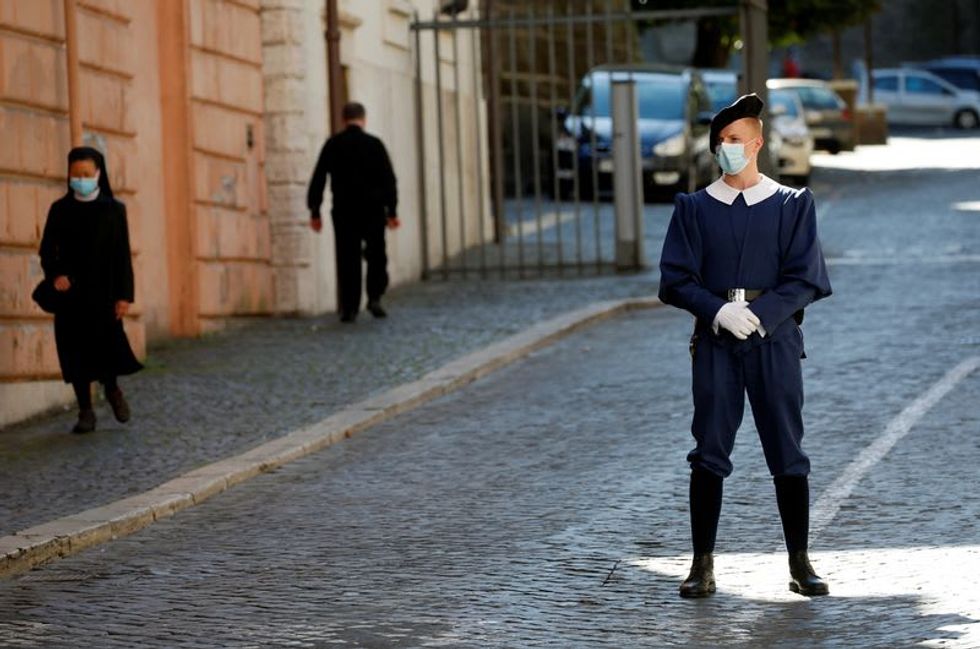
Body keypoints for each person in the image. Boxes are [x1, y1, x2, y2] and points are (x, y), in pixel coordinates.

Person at [658, 94, 833, 598]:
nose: (726, 149)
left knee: (787, 449)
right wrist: (716, 311)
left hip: (774, 340)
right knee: (709, 450)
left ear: (756, 144)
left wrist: (760, 314)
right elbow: (674, 280)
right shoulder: (692, 208)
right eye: (720, 142)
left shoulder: (792, 204)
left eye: (736, 140)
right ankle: (701, 565)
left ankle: (801, 563)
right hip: (715, 341)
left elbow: (807, 279)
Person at [39, 146, 143, 434]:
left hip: (104, 294)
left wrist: (124, 295)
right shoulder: (60, 210)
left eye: (86, 174)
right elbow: (47, 250)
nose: (81, 179)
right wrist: (56, 274)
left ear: (98, 174)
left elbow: (123, 256)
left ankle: (112, 390)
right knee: (74, 353)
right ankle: (85, 411)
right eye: (76, 174)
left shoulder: (113, 210)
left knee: (105, 347)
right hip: (71, 296)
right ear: (69, 175)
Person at [307, 102, 400, 323]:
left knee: (347, 257)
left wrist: (315, 211)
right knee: (377, 253)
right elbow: (389, 180)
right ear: (363, 119)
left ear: (343, 119)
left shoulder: (333, 144)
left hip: (344, 210)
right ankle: (375, 297)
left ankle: (349, 306)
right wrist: (392, 211)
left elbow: (319, 178)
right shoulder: (375, 145)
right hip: (373, 210)